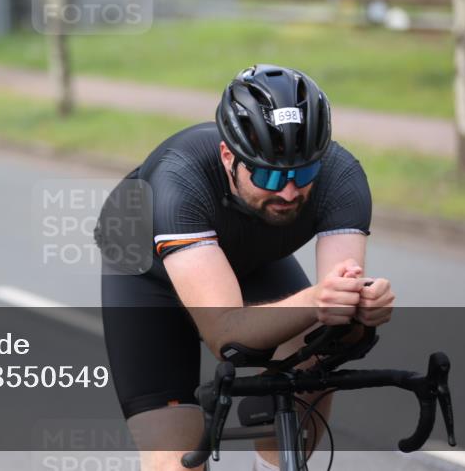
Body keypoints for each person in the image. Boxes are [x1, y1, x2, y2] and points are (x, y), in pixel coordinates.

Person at [96, 64, 394, 471]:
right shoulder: (176, 181)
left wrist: (362, 308)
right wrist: (317, 299)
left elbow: (335, 320)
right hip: (147, 277)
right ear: (227, 156)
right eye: (270, 176)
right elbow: (229, 337)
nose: (288, 191)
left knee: (317, 360)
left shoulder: (341, 177)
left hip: (252, 260)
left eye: (303, 172)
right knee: (177, 462)